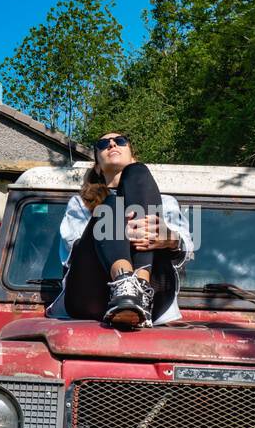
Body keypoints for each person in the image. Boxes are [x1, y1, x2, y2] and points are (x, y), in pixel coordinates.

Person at [46, 133, 194, 329]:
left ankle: (140, 289)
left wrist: (171, 239)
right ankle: (124, 284)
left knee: (137, 176)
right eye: (103, 144)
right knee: (111, 205)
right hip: (91, 294)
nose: (112, 144)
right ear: (97, 166)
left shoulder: (166, 203)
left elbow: (188, 250)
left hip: (154, 298)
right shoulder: (80, 204)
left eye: (120, 141)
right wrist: (114, 224)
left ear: (132, 157)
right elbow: (73, 251)